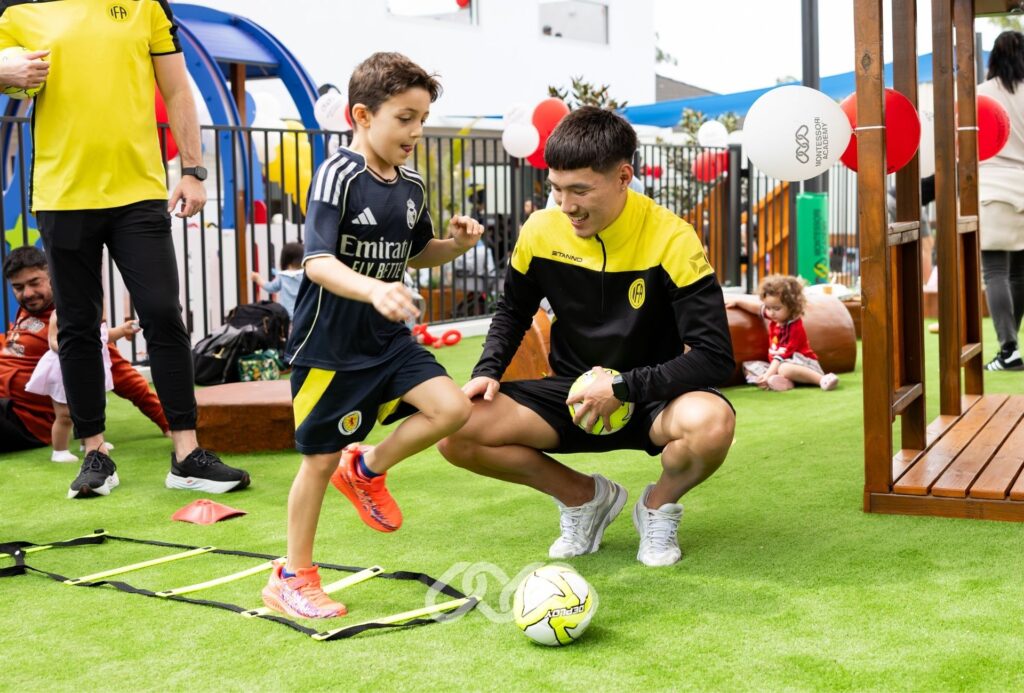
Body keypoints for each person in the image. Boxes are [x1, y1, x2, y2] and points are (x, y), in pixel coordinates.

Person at [438, 107, 736, 568]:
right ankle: (585, 498)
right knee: (453, 430)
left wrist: (622, 388)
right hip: (571, 396)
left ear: (623, 177)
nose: (566, 205)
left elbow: (715, 356)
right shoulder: (540, 229)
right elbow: (514, 309)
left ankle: (657, 505)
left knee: (713, 421)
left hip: (655, 397)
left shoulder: (674, 239)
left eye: (580, 189)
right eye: (556, 188)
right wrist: (487, 370)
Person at [260, 52, 483, 619]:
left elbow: (418, 251)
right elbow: (316, 262)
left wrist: (456, 245)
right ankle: (292, 576)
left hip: (387, 340)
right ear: (362, 115)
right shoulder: (338, 174)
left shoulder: (410, 186)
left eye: (422, 119)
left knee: (451, 408)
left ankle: (365, 469)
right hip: (330, 344)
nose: (415, 132)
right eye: (404, 118)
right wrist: (372, 289)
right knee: (316, 460)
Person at [0, 3, 250, 496]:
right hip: (62, 193)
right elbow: (14, 79)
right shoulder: (19, 9)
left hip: (137, 192)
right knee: (76, 324)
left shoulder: (145, 5)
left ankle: (187, 454)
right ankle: (95, 454)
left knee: (161, 312)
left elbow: (177, 88)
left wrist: (194, 171)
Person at [1, 247, 169, 455]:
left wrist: (167, 422)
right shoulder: (30, 308)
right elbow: (17, 345)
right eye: (18, 287)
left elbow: (122, 375)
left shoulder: (70, 320)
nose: (27, 293)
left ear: (53, 278)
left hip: (23, 419)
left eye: (35, 283)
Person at [25, 310, 130, 466]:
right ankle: (59, 451)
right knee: (65, 415)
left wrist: (123, 330)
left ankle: (88, 442)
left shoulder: (92, 310)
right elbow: (53, 340)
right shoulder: (60, 313)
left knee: (92, 408)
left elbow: (103, 335)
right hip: (63, 369)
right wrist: (70, 348)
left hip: (88, 367)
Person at [977, 31, 1024, 371]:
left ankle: (1008, 348)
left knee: (995, 272)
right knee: (1020, 273)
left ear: (992, 58)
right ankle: (1012, 348)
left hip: (992, 189)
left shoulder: (980, 94)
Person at [725, 275, 839, 392]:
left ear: (792, 306)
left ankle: (822, 379)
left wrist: (769, 373)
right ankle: (784, 382)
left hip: (802, 364)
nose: (771, 313)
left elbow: (783, 355)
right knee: (749, 366)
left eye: (776, 308)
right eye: (768, 308)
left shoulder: (794, 326)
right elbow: (758, 309)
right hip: (778, 364)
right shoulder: (775, 318)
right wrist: (738, 302)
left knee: (784, 368)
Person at [250, 241, 305, 319]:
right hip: (303, 314)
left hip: (286, 314)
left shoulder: (282, 276)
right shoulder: (305, 275)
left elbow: (270, 287)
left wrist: (257, 278)